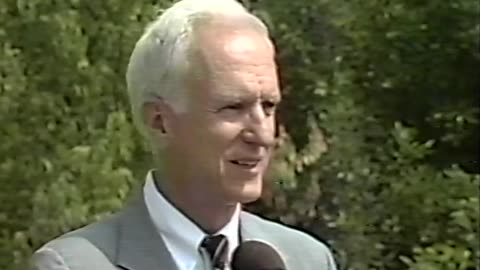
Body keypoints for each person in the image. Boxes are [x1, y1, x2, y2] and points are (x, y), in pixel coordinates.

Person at [31, 0, 337, 269]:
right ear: (159, 122)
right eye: (233, 107)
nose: (263, 134)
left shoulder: (307, 259)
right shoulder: (73, 266)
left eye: (268, 106)